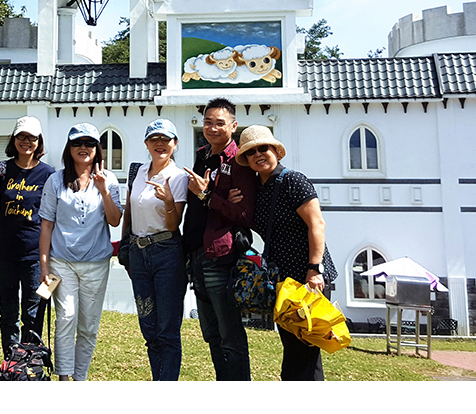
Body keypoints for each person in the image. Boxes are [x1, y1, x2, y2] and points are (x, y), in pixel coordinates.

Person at [235, 125, 338, 381]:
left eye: (264, 148)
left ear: (276, 152)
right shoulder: (257, 189)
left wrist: (315, 269)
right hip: (281, 282)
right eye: (251, 152)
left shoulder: (293, 180)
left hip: (307, 278)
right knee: (295, 349)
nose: (259, 154)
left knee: (305, 351)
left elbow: (317, 224)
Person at [39, 123, 121, 381]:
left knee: (88, 325)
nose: (83, 148)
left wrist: (104, 190)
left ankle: (80, 378)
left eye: (89, 143)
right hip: (61, 262)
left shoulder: (109, 178)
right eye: (77, 143)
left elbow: (115, 220)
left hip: (96, 263)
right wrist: (44, 266)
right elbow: (47, 225)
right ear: (69, 147)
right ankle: (64, 378)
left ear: (97, 149)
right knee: (66, 318)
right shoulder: (55, 180)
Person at [183, 97, 256, 380]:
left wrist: (208, 195)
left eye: (220, 123)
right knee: (211, 334)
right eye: (208, 122)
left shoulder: (239, 162)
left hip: (221, 255)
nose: (212, 128)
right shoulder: (202, 155)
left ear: (233, 126)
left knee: (230, 335)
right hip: (197, 252)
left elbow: (243, 213)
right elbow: (194, 199)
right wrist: (213, 197)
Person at [123, 119, 189, 380]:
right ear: (146, 143)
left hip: (166, 251)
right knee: (148, 325)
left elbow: (174, 225)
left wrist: (169, 200)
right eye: (154, 139)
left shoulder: (179, 176)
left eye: (166, 139)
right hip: (138, 252)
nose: (160, 143)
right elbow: (129, 210)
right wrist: (125, 246)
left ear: (174, 144)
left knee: (167, 329)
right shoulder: (137, 172)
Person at [0, 115, 55, 356]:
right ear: (13, 139)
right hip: (4, 253)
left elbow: (52, 214)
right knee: (8, 310)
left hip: (35, 255)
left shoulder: (48, 174)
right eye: (22, 136)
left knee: (33, 311)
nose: (26, 142)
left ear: (39, 142)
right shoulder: (2, 170)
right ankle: (11, 359)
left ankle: (29, 360)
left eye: (32, 137)